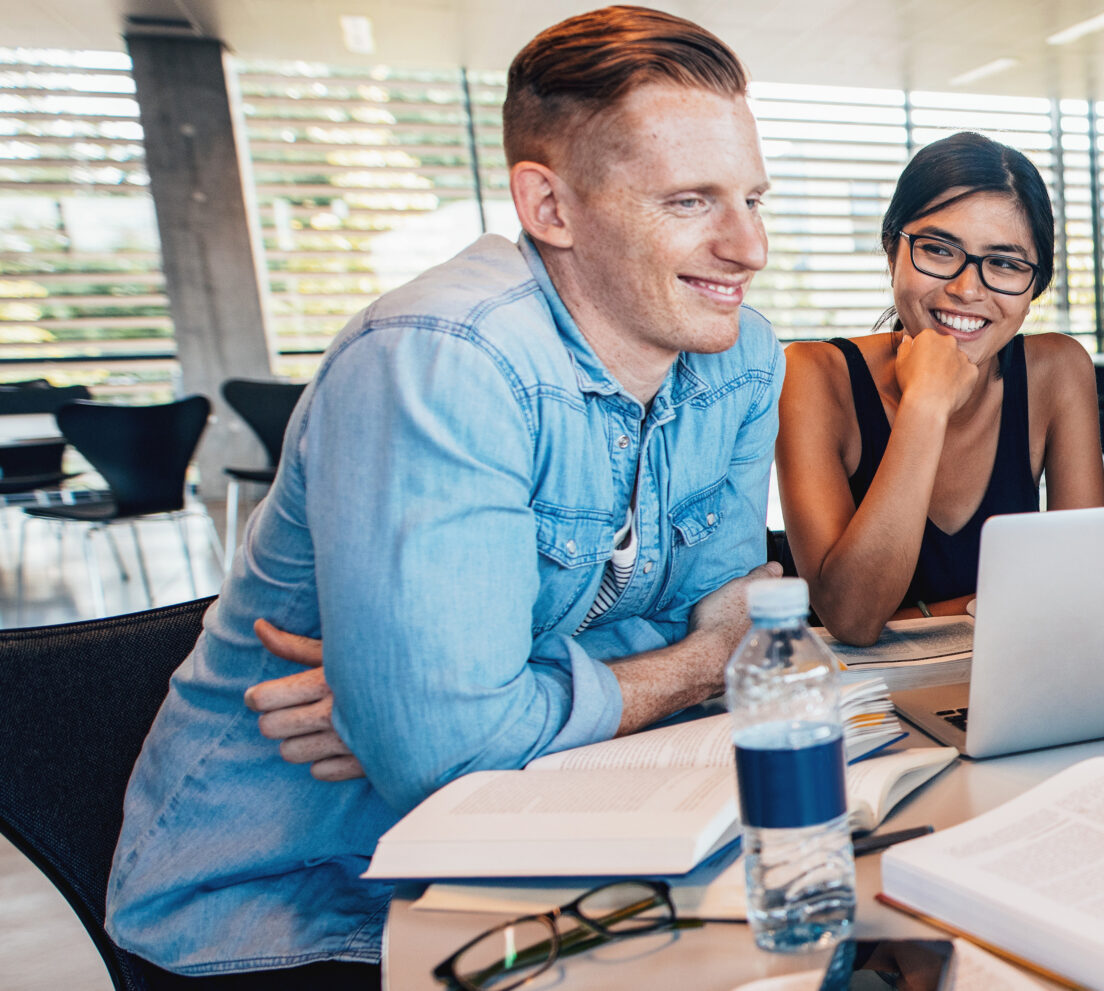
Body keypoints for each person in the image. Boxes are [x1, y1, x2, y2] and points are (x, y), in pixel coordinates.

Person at [107, 8, 782, 983]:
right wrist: (682, 666)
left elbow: (726, 636)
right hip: (309, 889)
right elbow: (463, 753)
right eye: (690, 201)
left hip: (548, 839)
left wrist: (453, 701)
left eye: (754, 197)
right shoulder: (441, 358)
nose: (747, 246)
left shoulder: (739, 355)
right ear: (550, 207)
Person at [775, 133, 1103, 644]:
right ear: (892, 253)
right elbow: (854, 618)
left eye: (1006, 263)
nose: (966, 289)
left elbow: (1083, 590)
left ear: (1034, 287)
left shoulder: (1056, 371)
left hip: (1020, 680)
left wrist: (910, 619)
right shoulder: (812, 376)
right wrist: (925, 403)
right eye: (937, 249)